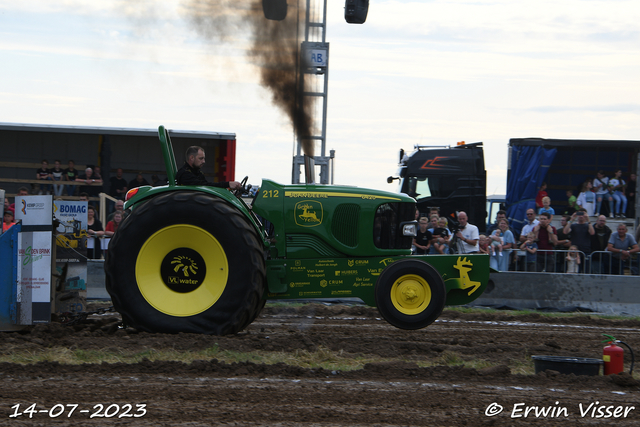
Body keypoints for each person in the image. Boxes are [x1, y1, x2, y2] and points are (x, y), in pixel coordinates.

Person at [176, 146, 241, 190]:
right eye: (201, 158)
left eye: (204, 158)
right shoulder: (185, 174)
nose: (204, 161)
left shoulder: (197, 173)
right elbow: (205, 186)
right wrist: (227, 184)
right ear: (192, 158)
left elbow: (208, 187)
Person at [562, 209, 594, 273]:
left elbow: (592, 233)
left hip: (586, 250)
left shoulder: (588, 225)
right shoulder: (573, 225)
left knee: (586, 270)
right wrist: (571, 219)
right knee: (574, 270)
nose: (581, 216)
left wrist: (588, 220)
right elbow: (565, 232)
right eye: (579, 214)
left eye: (582, 214)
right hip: (575, 251)